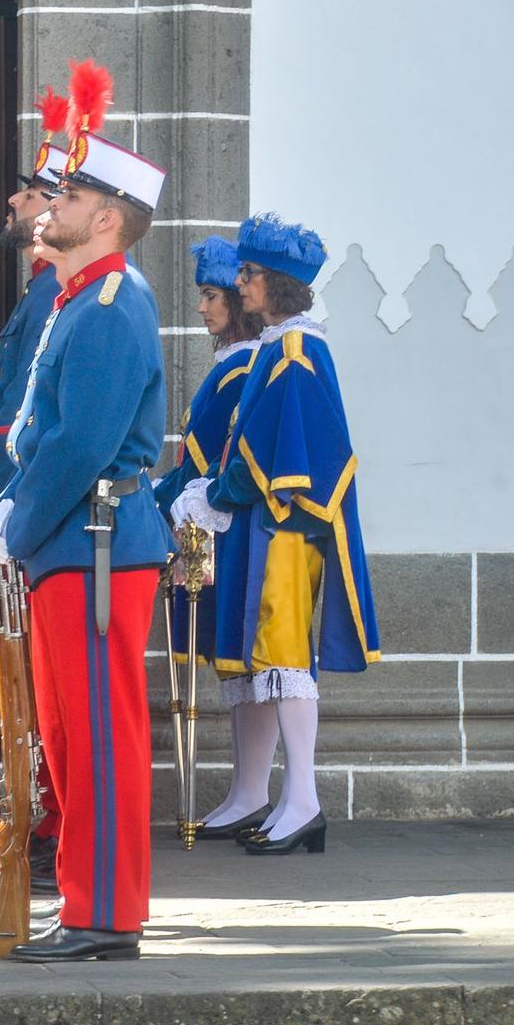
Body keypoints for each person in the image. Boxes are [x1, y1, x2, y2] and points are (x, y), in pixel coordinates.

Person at [0, 58, 166, 963]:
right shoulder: (80, 302)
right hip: (70, 544)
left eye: (75, 192)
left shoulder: (113, 306)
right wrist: (11, 503)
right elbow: (41, 436)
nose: (55, 200)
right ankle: (90, 901)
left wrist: (15, 517)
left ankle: (107, 914)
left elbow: (80, 444)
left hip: (92, 544)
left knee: (97, 736)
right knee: (66, 733)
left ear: (110, 218)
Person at [173, 213, 381, 854]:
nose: (239, 283)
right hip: (264, 522)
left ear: (278, 284)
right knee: (260, 662)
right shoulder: (277, 348)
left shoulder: (296, 351)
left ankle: (304, 801)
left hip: (287, 526)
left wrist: (213, 492)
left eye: (249, 274)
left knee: (286, 660)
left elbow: (284, 450)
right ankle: (267, 798)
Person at [0, 86, 74, 882]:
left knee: (39, 688)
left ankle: (48, 817)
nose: (14, 197)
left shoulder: (59, 296)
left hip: (35, 509)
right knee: (24, 683)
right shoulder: (38, 292)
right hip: (9, 492)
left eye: (29, 190)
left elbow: (38, 422)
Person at [149, 236, 266, 839]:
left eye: (211, 296)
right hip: (208, 525)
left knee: (245, 663)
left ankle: (254, 793)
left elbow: (206, 465)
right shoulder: (232, 364)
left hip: (227, 528)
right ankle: (246, 793)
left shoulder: (244, 366)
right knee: (234, 669)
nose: (202, 308)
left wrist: (157, 499)